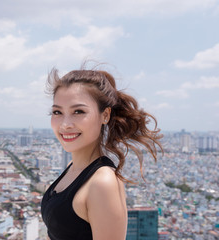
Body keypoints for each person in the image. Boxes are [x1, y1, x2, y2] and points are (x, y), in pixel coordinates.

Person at [41, 66, 163, 240]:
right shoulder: (72, 168)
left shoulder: (103, 182)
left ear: (105, 115)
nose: (65, 124)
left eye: (78, 111)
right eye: (57, 112)